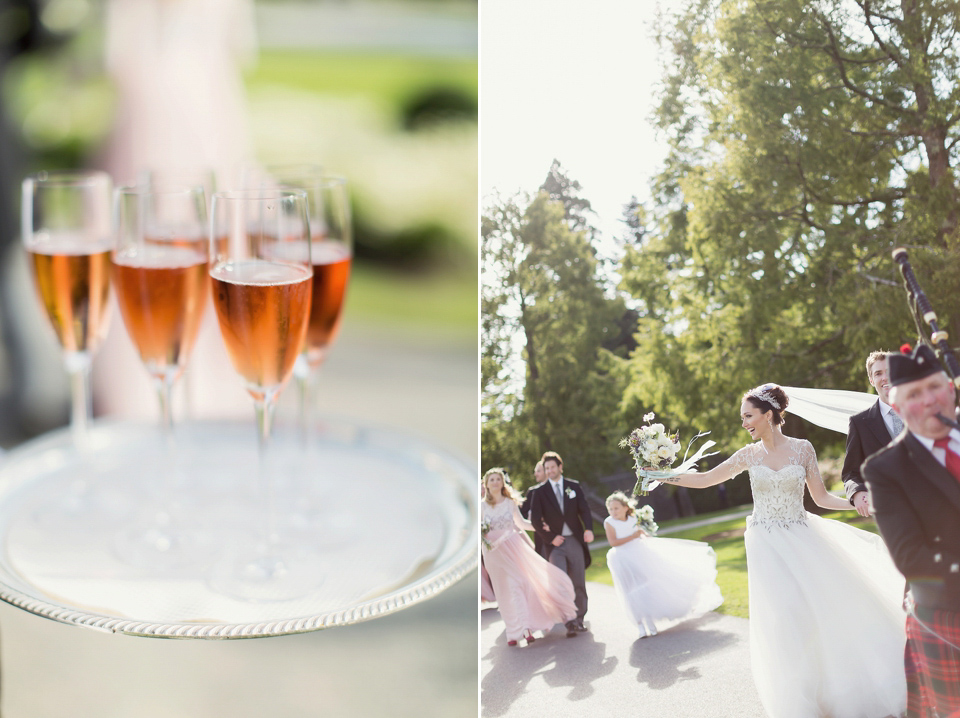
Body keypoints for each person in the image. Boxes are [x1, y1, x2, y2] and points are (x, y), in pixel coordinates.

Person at [662, 383, 907, 718]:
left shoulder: (803, 449)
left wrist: (857, 503)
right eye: (742, 417)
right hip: (766, 545)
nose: (744, 422)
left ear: (768, 414)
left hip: (803, 538)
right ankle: (801, 698)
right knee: (784, 621)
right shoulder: (748, 455)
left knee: (821, 613)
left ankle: (840, 688)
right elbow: (705, 480)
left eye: (748, 415)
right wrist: (663, 476)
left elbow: (820, 498)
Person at [863, 344, 960, 717]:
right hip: (947, 613)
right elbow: (910, 558)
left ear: (950, 390)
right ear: (899, 409)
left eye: (935, 387)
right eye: (914, 395)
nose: (929, 400)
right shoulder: (885, 469)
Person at [603, 491, 722, 637]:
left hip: (639, 553)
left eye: (616, 508)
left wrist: (642, 534)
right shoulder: (609, 522)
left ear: (625, 508)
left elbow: (639, 532)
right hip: (621, 558)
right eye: (610, 509)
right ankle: (640, 625)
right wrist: (633, 536)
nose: (613, 511)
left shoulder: (633, 517)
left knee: (646, 587)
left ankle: (649, 620)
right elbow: (613, 542)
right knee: (630, 590)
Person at [481, 468, 576, 647]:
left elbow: (522, 523)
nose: (495, 482)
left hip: (514, 547)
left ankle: (526, 628)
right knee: (503, 591)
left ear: (502, 483)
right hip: (493, 553)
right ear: (486, 484)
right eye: (491, 479)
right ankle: (512, 631)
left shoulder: (509, 502)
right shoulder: (481, 506)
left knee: (518, 585)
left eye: (498, 479)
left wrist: (543, 528)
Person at [529, 451, 594, 637]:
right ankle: (569, 620)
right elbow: (534, 519)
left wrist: (588, 529)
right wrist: (550, 538)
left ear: (560, 467)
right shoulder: (539, 492)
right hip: (554, 544)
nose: (549, 471)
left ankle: (580, 618)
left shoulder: (573, 486)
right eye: (546, 468)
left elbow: (585, 510)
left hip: (574, 539)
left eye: (551, 467)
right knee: (560, 582)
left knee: (578, 582)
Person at [842, 350, 902, 517]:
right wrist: (857, 492)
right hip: (890, 512)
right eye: (878, 373)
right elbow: (850, 473)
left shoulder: (922, 412)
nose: (885, 377)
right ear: (871, 380)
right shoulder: (859, 423)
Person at [519, 460, 548, 557]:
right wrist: (533, 516)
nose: (535, 474)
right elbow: (522, 513)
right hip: (541, 535)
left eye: (538, 471)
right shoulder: (532, 492)